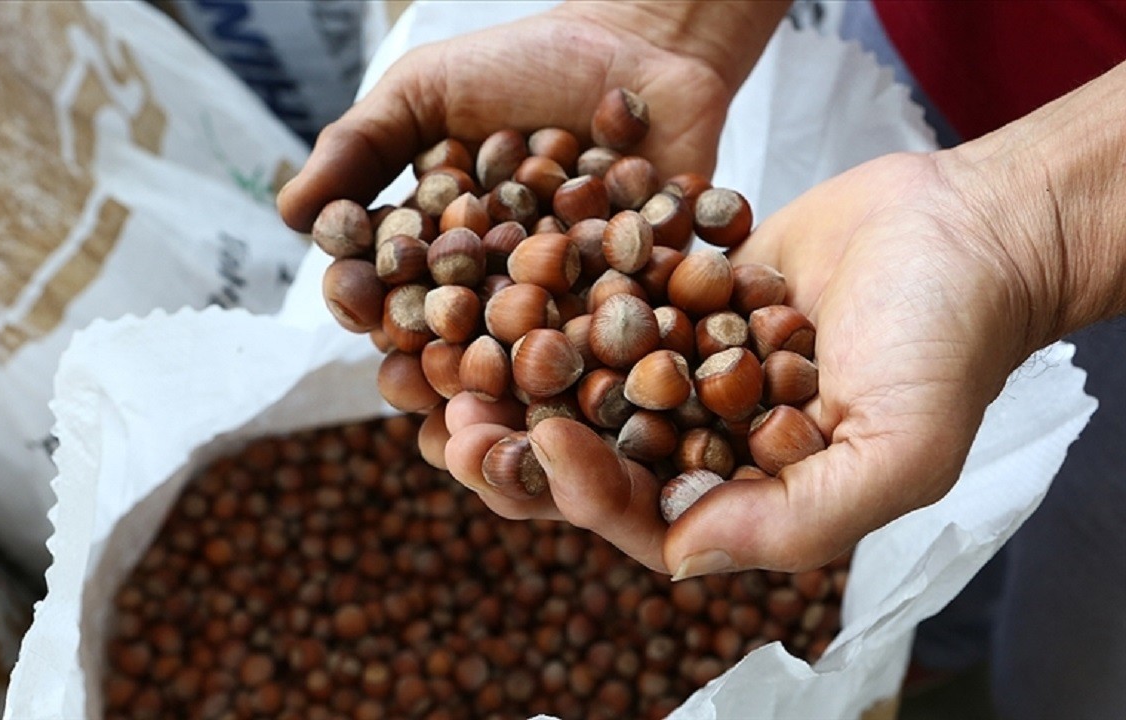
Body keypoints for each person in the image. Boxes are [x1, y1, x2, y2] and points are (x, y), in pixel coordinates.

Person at [278, 2, 1125, 717]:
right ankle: (938, 644)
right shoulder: (604, 289)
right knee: (948, 548)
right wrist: (671, 22)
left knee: (1085, 608)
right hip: (943, 33)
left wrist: (1040, 226)